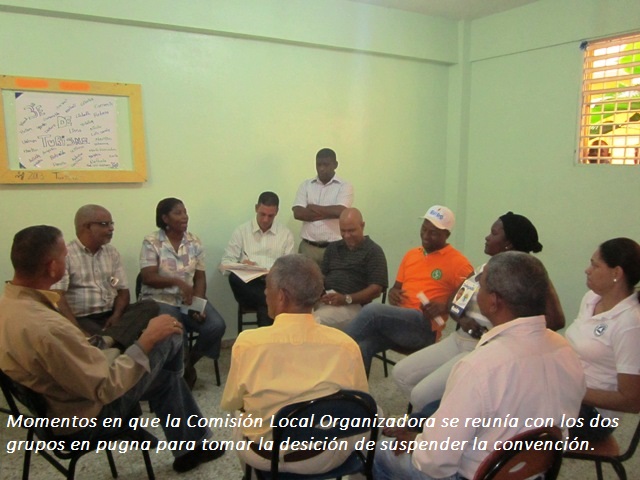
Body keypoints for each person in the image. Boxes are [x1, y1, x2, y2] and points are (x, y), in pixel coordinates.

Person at [0, 226, 225, 473]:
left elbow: (79, 361)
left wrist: (111, 346)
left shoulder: (10, 306)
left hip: (61, 401)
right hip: (87, 419)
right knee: (169, 334)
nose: (67, 258)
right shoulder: (49, 328)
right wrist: (146, 342)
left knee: (165, 376)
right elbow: (106, 387)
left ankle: (191, 447)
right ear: (53, 267)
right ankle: (184, 383)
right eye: (64, 255)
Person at [374, 252, 586, 480]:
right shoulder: (566, 352)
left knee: (374, 450)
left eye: (481, 287)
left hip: (472, 475)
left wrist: (418, 443)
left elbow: (435, 462)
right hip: (533, 472)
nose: (476, 292)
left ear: (493, 302)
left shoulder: (480, 367)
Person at [393, 212, 565, 412]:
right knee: (401, 374)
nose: (487, 237)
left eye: (494, 234)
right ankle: (441, 414)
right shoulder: (484, 268)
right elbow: (454, 302)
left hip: (484, 347)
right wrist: (463, 319)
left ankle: (440, 421)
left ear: (508, 243)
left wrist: (503, 331)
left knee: (421, 395)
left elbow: (556, 320)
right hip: (459, 337)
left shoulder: (526, 276)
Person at [220, 254, 368, 475]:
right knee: (372, 413)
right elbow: (360, 405)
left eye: (267, 287)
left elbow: (231, 402)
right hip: (323, 456)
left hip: (265, 456)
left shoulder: (247, 343)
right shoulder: (346, 345)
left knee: (237, 414)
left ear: (281, 296)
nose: (264, 293)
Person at [345, 205, 473, 375]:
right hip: (399, 322)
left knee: (372, 311)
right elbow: (396, 289)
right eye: (424, 229)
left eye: (433, 233)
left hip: (424, 326)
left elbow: (470, 298)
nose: (425, 235)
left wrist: (444, 307)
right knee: (361, 348)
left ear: (446, 235)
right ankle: (355, 392)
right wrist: (393, 294)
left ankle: (332, 351)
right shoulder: (411, 255)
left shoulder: (459, 263)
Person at [139, 198, 226, 389]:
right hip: (159, 300)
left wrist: (198, 303)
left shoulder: (194, 241)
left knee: (216, 326)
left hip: (187, 299)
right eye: (178, 213)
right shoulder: (152, 242)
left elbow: (200, 278)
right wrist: (178, 282)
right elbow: (148, 277)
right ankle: (179, 374)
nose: (184, 216)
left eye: (185, 212)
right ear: (165, 218)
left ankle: (188, 364)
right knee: (178, 330)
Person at [52, 205, 158, 349]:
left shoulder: (111, 253)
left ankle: (107, 340)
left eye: (111, 224)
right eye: (104, 224)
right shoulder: (66, 255)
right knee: (128, 339)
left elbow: (122, 290)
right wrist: (77, 329)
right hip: (82, 318)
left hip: (111, 314)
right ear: (87, 227)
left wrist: (117, 315)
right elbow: (57, 295)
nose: (111, 229)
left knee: (149, 306)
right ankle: (113, 341)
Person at [565, 237, 640, 441]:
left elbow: (632, 401)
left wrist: (571, 390)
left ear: (616, 273)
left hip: (594, 415)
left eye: (595, 265)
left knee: (514, 417)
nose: (587, 270)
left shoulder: (630, 323)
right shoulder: (591, 298)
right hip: (570, 395)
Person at [220, 191, 294, 326]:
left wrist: (273, 274)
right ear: (256, 208)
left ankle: (268, 304)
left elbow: (290, 268)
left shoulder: (285, 234)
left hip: (274, 284)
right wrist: (242, 265)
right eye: (262, 214)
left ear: (277, 212)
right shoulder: (241, 231)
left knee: (266, 303)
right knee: (234, 278)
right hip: (249, 286)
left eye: (270, 216)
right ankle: (270, 300)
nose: (265, 219)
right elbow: (224, 264)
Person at [313, 207, 388, 330]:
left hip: (353, 306)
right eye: (343, 231)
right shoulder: (333, 248)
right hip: (326, 301)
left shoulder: (373, 251)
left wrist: (346, 299)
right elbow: (322, 276)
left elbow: (376, 289)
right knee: (293, 317)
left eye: (351, 231)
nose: (347, 235)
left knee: (313, 322)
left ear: (362, 226)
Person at [292, 148, 353, 265]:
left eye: (326, 164)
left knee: (334, 277)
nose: (321, 168)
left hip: (335, 248)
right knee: (305, 277)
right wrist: (329, 212)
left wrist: (312, 207)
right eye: (318, 164)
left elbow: (340, 212)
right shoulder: (306, 185)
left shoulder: (344, 186)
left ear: (335, 165)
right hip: (308, 247)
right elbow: (298, 213)